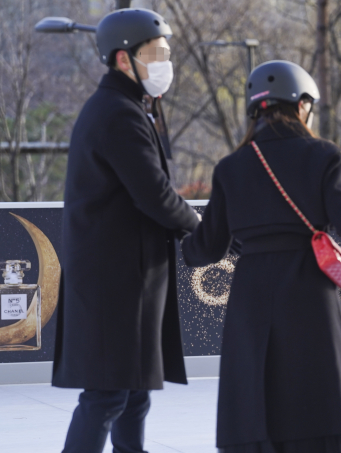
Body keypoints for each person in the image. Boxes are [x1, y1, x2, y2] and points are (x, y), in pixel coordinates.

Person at [181, 60, 341, 452]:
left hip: (250, 298)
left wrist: (176, 236)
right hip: (310, 295)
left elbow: (207, 247)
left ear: (255, 110)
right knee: (315, 409)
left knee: (254, 400)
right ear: (301, 104)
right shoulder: (321, 155)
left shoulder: (230, 168)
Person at [52, 9, 200, 452]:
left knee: (133, 392)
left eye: (165, 53)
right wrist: (201, 226)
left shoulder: (130, 108)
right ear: (123, 59)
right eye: (154, 53)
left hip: (128, 279)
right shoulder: (118, 113)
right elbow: (154, 195)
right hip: (112, 283)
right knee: (107, 394)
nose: (164, 63)